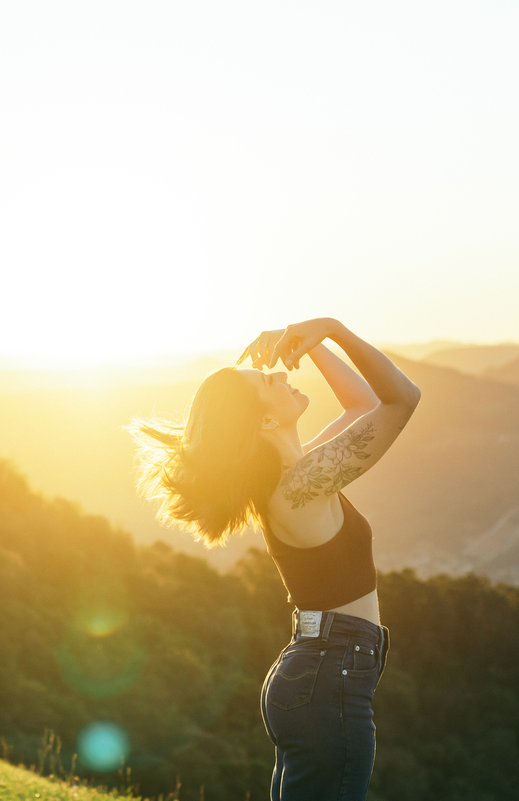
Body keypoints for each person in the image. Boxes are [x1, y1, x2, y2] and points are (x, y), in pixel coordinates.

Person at [129, 317, 420, 801]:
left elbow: (362, 405)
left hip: (319, 674)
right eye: (270, 381)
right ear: (264, 421)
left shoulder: (298, 477)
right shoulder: (298, 490)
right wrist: (333, 328)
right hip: (330, 677)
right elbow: (401, 400)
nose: (283, 374)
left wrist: (314, 343)